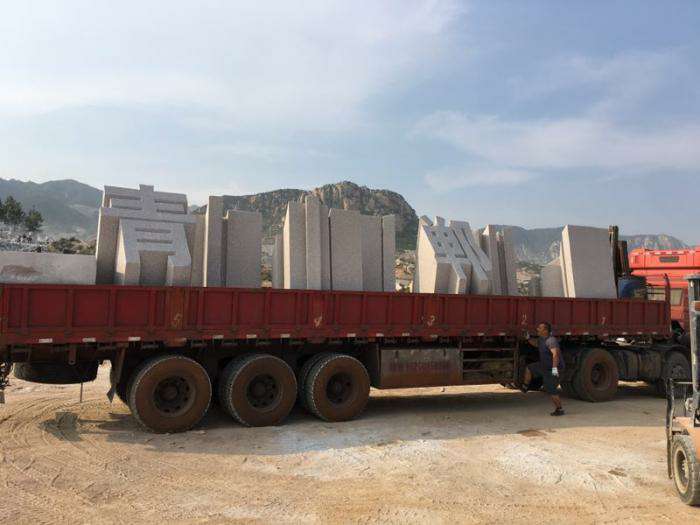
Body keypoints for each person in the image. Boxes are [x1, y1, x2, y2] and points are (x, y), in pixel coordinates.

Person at [520, 322, 565, 416]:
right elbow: (536, 343)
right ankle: (525, 386)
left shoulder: (551, 341)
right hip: (543, 366)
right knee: (529, 368)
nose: (537, 329)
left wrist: (554, 369)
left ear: (545, 331)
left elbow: (555, 355)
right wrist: (528, 338)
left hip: (553, 369)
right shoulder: (541, 339)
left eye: (540, 328)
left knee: (551, 390)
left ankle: (559, 409)